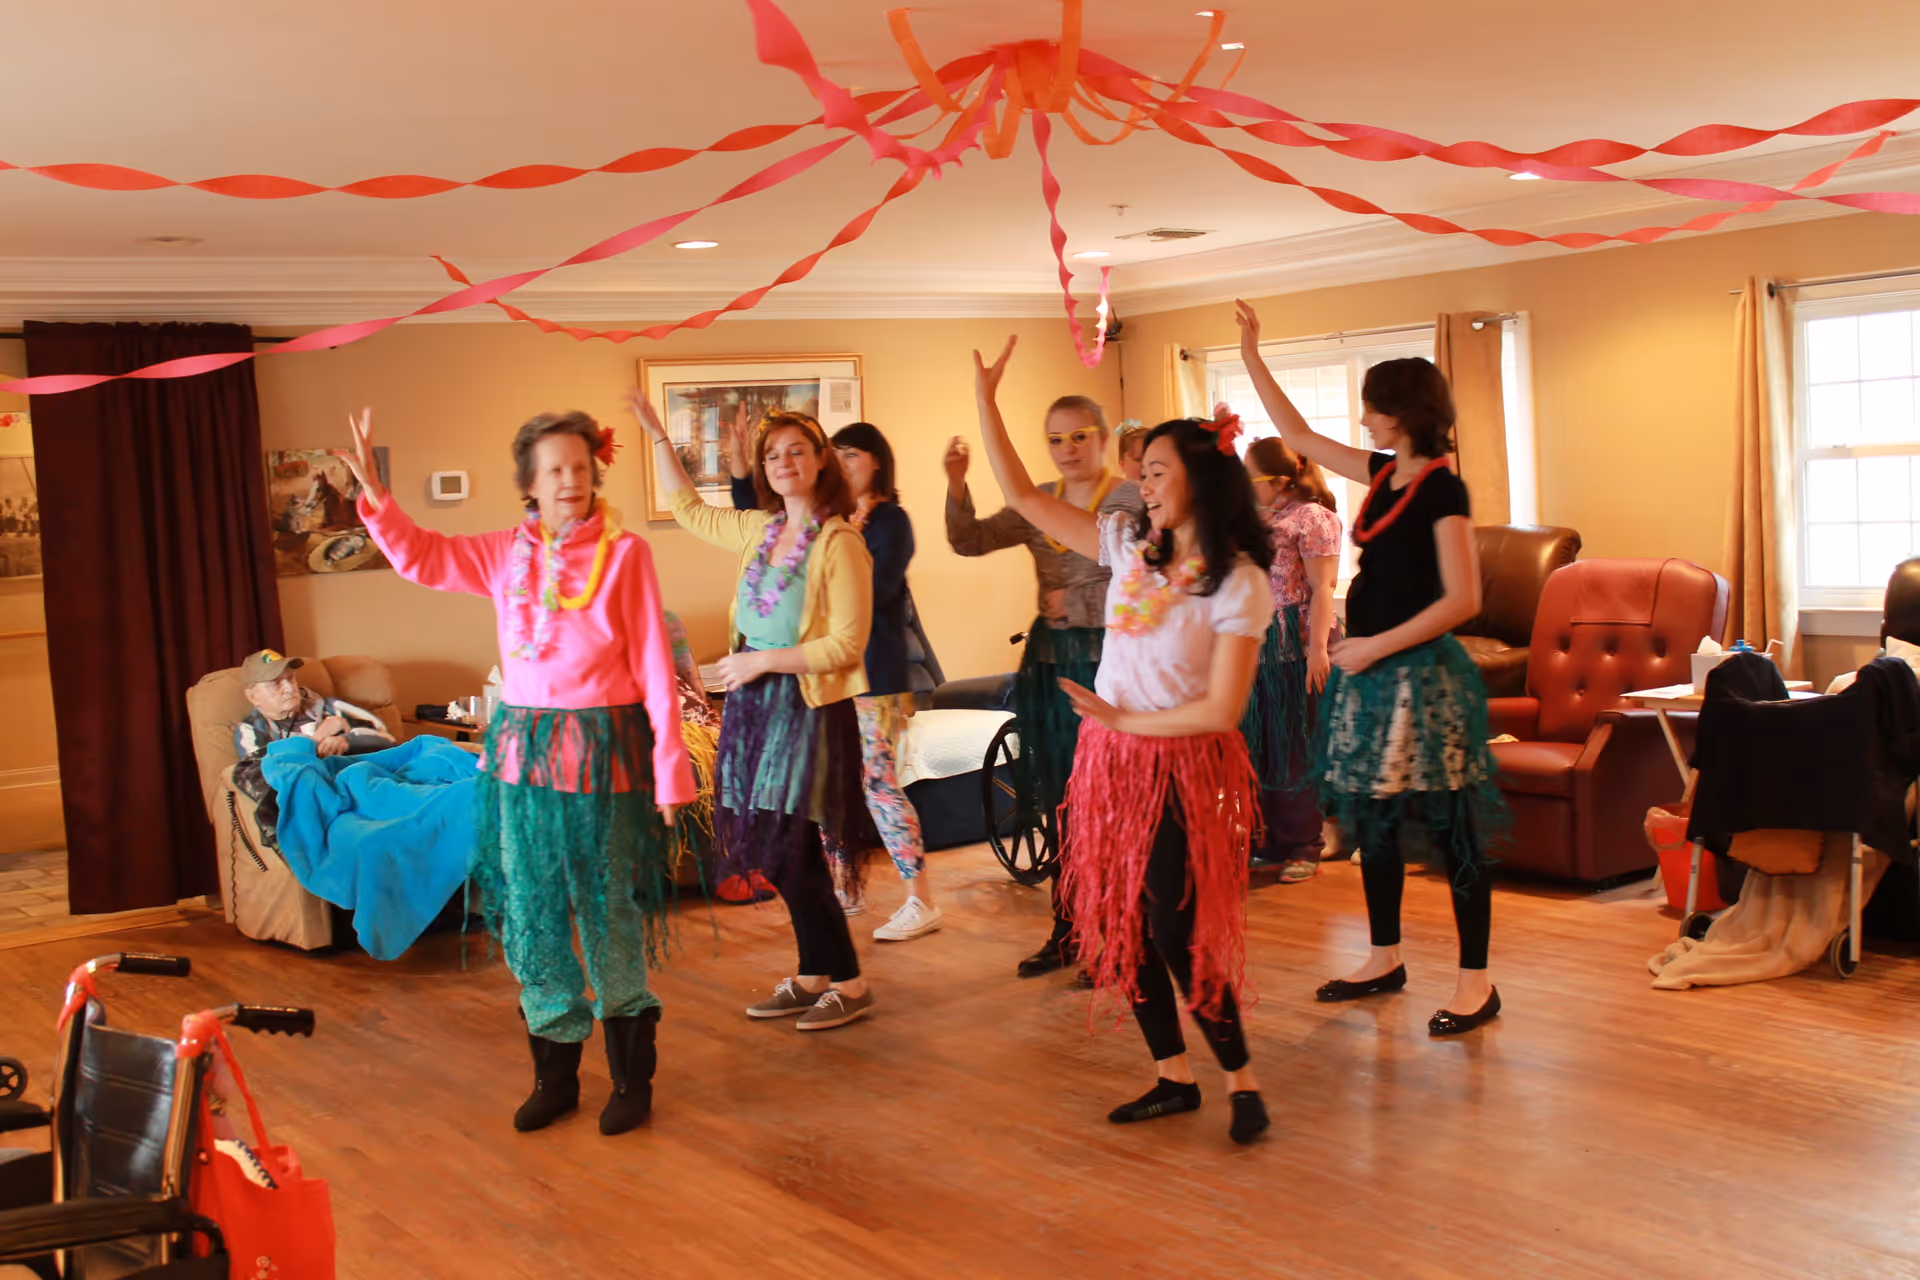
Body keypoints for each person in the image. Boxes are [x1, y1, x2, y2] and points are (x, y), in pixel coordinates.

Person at [343, 407, 694, 1135]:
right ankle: (555, 1071)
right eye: (554, 470)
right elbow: (426, 557)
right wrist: (380, 504)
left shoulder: (624, 554)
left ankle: (631, 1077)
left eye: (579, 467)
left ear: (595, 473)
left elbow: (656, 668)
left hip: (602, 750)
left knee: (605, 911)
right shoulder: (505, 552)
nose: (570, 480)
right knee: (532, 916)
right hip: (520, 754)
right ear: (529, 485)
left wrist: (672, 769)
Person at [968, 336, 1275, 1144]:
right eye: (1142, 471)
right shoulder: (1128, 548)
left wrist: (1129, 723)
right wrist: (985, 400)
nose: (1143, 482)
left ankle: (1241, 1080)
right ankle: (1173, 1076)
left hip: (1177, 761)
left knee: (1174, 926)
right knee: (1122, 924)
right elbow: (1024, 499)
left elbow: (1222, 709)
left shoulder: (1238, 581)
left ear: (1202, 481)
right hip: (1114, 760)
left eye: (1158, 471)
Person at [1235, 300, 1507, 1036]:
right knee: (1375, 822)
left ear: (1405, 412)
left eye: (1373, 411)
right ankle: (1384, 956)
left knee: (1452, 831)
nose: (1363, 423)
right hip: (1372, 672)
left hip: (1422, 677)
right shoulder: (1382, 472)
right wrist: (1252, 354)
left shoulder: (1443, 488)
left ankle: (1476, 983)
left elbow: (1464, 598)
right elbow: (1296, 435)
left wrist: (1373, 646)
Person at [636, 392, 883, 1031]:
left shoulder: (839, 543)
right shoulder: (758, 528)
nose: (783, 462)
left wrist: (759, 664)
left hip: (803, 703)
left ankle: (849, 984)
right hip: (754, 704)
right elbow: (688, 508)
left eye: (796, 450)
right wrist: (660, 437)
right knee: (779, 850)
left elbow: (847, 644)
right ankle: (813, 975)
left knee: (787, 846)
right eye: (772, 454)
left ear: (821, 459)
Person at [946, 392, 1143, 979]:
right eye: (1055, 440)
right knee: (1058, 803)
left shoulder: (1129, 498)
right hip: (1050, 666)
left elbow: (1149, 578)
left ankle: (1123, 935)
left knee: (1107, 802)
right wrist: (957, 485)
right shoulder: (1039, 502)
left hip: (1111, 666)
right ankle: (1070, 930)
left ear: (1102, 438)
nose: (1067, 450)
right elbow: (969, 541)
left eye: (1079, 436)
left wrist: (1080, 597)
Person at [726, 411, 941, 941]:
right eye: (837, 453)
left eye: (852, 455)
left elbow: (873, 594)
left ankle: (921, 898)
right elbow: (754, 517)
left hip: (876, 676)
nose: (841, 464)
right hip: (825, 678)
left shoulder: (885, 522)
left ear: (876, 463)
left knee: (876, 784)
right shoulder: (814, 524)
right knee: (829, 789)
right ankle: (843, 891)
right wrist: (737, 462)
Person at [1242, 435, 1343, 883]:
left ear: (1279, 481)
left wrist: (1318, 650)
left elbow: (1323, 588)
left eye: (1251, 478)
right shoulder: (1258, 519)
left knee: (1296, 745)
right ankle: (1268, 839)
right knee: (1261, 743)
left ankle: (1306, 843)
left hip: (1297, 643)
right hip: (1260, 643)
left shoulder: (1313, 518)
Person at [230, 648, 394, 847]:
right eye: (275, 684)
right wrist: (316, 741)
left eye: (290, 679)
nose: (290, 689)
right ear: (252, 696)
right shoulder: (251, 731)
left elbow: (386, 738)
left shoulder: (331, 708)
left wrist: (348, 740)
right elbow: (265, 777)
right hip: (330, 805)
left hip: (372, 783)